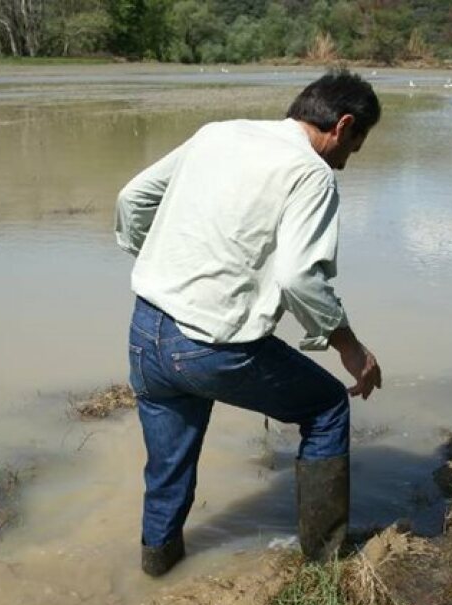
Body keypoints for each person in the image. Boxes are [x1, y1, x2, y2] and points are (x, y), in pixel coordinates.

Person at [114, 68, 383, 577]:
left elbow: (133, 200)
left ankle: (156, 570)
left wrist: (160, 261)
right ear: (343, 126)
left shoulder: (218, 133)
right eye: (354, 147)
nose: (346, 162)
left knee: (168, 471)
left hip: (146, 328)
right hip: (209, 347)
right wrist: (349, 346)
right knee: (326, 408)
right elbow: (299, 277)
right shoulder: (311, 172)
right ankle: (325, 566)